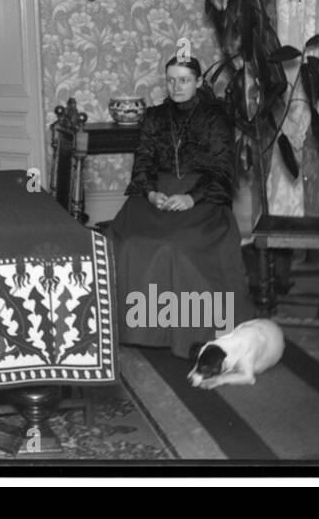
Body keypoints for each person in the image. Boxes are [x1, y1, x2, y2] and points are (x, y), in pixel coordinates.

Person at [107, 54, 255, 359]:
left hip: (202, 199)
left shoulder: (215, 118)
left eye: (184, 80)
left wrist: (191, 197)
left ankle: (187, 329)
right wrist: (149, 193)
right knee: (126, 242)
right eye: (171, 80)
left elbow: (223, 169)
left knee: (174, 246)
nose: (176, 86)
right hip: (156, 197)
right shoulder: (154, 117)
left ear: (199, 82)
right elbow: (144, 162)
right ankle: (133, 327)